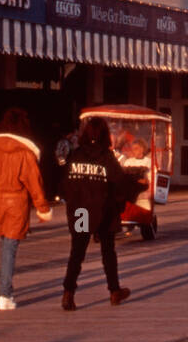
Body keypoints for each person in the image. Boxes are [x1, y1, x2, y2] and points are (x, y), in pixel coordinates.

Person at [59, 114, 145, 309]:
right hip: (103, 210)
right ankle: (114, 291)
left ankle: (68, 293)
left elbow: (64, 184)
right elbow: (120, 182)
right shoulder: (107, 157)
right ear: (105, 135)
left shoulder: (75, 155)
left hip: (81, 210)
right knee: (108, 251)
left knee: (77, 252)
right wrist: (137, 185)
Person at [0, 108, 52, 310]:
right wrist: (42, 208)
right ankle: (5, 295)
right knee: (10, 249)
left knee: (2, 246)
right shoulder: (25, 153)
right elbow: (34, 183)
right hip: (16, 203)